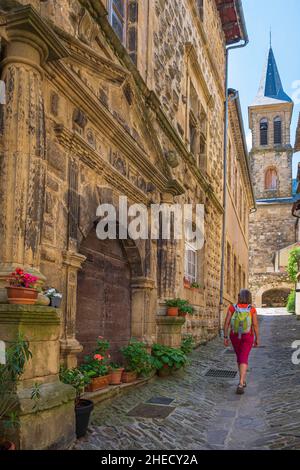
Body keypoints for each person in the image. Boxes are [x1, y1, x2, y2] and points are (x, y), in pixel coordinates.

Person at [223, 289, 260, 395]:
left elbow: (226, 323)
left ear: (239, 297)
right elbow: (255, 325)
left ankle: (242, 380)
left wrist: (225, 337)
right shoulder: (251, 309)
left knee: (239, 357)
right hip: (248, 336)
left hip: (234, 336)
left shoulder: (232, 307)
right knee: (244, 357)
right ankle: (240, 383)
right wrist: (257, 338)